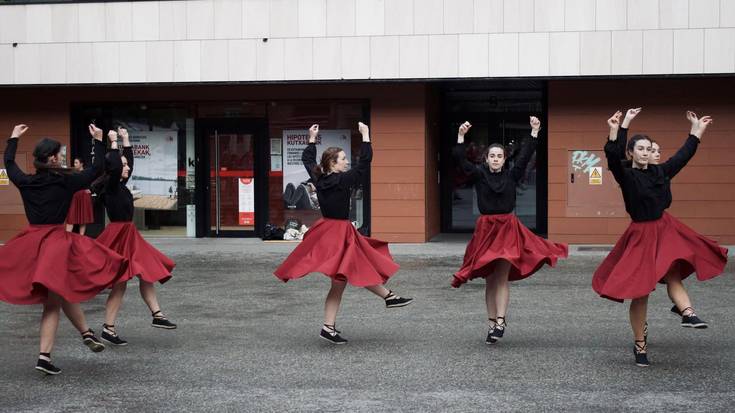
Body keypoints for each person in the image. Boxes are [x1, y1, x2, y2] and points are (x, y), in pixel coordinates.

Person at [592, 109, 728, 367]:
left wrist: (696, 132)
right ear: (632, 153)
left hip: (665, 229)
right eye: (640, 149)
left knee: (673, 270)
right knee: (640, 291)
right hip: (641, 234)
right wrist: (621, 126)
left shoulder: (660, 172)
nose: (645, 152)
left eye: (648, 149)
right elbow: (612, 155)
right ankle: (639, 344)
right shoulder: (626, 174)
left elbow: (682, 157)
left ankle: (687, 312)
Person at [0, 124, 128, 375]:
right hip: (56, 244)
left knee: (59, 291)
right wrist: (98, 140)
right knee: (53, 300)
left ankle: (86, 333)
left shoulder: (25, 182)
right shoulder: (66, 182)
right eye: (58, 154)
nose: (60, 158)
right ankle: (44, 356)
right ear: (51, 158)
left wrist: (14, 138)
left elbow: (9, 163)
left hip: (32, 243)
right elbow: (97, 169)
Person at [274, 123, 413, 344]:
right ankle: (335, 324)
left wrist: (311, 139)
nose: (347, 162)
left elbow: (308, 161)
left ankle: (387, 298)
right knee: (344, 276)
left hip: (329, 229)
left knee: (352, 270)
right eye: (343, 159)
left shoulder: (319, 177)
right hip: (338, 232)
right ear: (333, 163)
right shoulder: (342, 180)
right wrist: (366, 136)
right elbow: (364, 164)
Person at [451, 117, 568, 344]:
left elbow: (525, 157)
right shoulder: (479, 175)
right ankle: (491, 323)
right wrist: (461, 136)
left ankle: (501, 321)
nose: (495, 159)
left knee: (501, 276)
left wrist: (535, 132)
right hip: (486, 230)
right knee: (490, 280)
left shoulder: (512, 175)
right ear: (486, 159)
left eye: (499, 156)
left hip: (507, 229)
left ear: (504, 160)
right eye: (492, 156)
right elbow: (459, 160)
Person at [95, 128, 177, 346]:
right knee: (120, 284)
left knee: (145, 272)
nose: (128, 167)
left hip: (129, 234)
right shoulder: (111, 187)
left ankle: (157, 315)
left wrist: (126, 140)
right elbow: (114, 165)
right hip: (119, 236)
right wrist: (112, 143)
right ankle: (108, 328)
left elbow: (124, 162)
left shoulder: (119, 185)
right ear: (114, 169)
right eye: (124, 165)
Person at [65, 157, 95, 235]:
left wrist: (91, 190)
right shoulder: (73, 174)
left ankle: (81, 237)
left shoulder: (87, 172)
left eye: (76, 163)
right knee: (71, 218)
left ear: (81, 164)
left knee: (83, 218)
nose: (74, 164)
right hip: (75, 197)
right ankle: (67, 237)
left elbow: (93, 182)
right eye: (74, 163)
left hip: (84, 197)